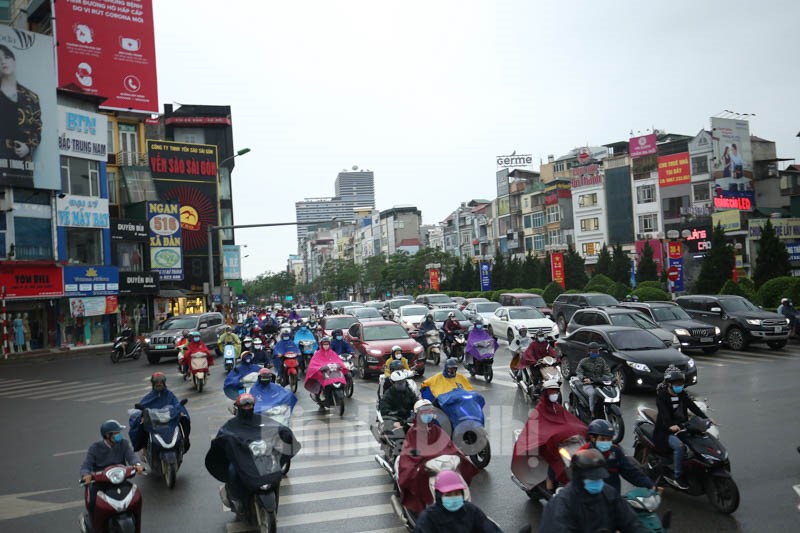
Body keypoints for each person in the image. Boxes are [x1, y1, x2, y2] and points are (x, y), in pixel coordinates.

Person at [204, 393, 300, 513]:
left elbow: (275, 426)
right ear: (238, 407)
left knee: (276, 469)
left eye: (250, 405)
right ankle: (236, 499)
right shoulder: (231, 425)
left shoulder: (260, 420)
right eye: (245, 406)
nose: (247, 408)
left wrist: (284, 432)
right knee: (232, 471)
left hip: (261, 458)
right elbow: (222, 436)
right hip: (241, 460)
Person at [398, 400, 479, 515]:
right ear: (417, 415)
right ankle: (422, 508)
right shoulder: (413, 433)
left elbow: (448, 445)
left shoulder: (436, 429)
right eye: (424, 413)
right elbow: (412, 453)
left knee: (460, 470)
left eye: (429, 412)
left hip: (442, 465)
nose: (428, 415)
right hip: (425, 467)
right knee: (414, 477)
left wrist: (457, 454)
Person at [539, 448, 647, 533]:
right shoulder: (562, 504)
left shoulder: (609, 494)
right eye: (592, 478)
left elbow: (631, 523)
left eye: (599, 477)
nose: (597, 481)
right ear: (578, 477)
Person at [512, 378, 586, 492]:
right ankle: (550, 486)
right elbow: (538, 430)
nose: (554, 394)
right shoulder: (539, 410)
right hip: (545, 445)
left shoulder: (557, 407)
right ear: (546, 393)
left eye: (556, 392)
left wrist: (582, 429)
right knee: (555, 462)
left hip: (562, 443)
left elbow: (568, 421)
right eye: (551, 392)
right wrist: (551, 436)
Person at [654, 366, 711, 490]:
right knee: (680, 447)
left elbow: (693, 407)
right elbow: (664, 414)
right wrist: (670, 425)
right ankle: (677, 476)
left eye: (681, 383)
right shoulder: (661, 396)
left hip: (682, 426)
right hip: (665, 431)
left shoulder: (682, 394)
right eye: (676, 384)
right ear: (669, 384)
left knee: (697, 442)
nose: (679, 386)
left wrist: (706, 418)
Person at [80, 420, 144, 513]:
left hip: (120, 479)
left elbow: (132, 457)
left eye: (119, 433)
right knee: (92, 503)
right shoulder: (95, 448)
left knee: (136, 498)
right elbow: (86, 465)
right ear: (107, 435)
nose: (119, 435)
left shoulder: (123, 443)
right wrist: (86, 475)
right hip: (101, 482)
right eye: (116, 433)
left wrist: (137, 465)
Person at [578, 419, 655, 495]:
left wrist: (649, 485)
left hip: (613, 497)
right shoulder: (583, 455)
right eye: (602, 439)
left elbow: (629, 471)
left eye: (609, 439)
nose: (606, 443)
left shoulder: (615, 451)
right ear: (592, 438)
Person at [414, 470, 502, 533]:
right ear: (439, 496)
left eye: (457, 493)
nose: (453, 497)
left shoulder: (471, 510)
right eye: (448, 494)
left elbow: (489, 528)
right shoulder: (427, 519)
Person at [0, 44, 41, 173]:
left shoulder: (31, 97)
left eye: (6, 57)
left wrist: (28, 147)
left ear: (14, 61)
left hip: (22, 164)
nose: (3, 62)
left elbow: (37, 128)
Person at [129, 373, 191, 452]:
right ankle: (144, 446)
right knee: (139, 424)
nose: (159, 384)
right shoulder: (149, 396)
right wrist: (143, 415)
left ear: (164, 383)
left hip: (169, 420)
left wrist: (180, 411)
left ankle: (184, 442)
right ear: (153, 384)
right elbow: (143, 406)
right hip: (154, 422)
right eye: (157, 382)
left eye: (161, 382)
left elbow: (176, 403)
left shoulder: (169, 395)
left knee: (184, 419)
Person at [304, 336, 347, 401]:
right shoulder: (317, 354)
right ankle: (320, 394)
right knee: (321, 380)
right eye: (324, 344)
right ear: (321, 345)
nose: (326, 346)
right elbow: (313, 364)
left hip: (333, 372)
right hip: (323, 372)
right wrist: (320, 368)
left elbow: (338, 361)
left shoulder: (333, 353)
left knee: (341, 378)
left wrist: (339, 365)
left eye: (327, 344)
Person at [576, 341, 611, 418]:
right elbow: (579, 372)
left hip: (600, 382)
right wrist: (584, 378)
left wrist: (612, 378)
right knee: (593, 394)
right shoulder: (584, 361)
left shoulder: (601, 361)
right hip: (588, 384)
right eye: (593, 351)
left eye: (597, 351)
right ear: (589, 351)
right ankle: (592, 412)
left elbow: (607, 371)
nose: (596, 353)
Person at [379, 366, 418, 430]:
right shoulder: (388, 395)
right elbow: (385, 411)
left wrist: (421, 406)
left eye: (403, 382)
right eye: (399, 383)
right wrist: (394, 421)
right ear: (393, 383)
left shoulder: (408, 391)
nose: (402, 384)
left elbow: (415, 401)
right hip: (396, 422)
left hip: (408, 420)